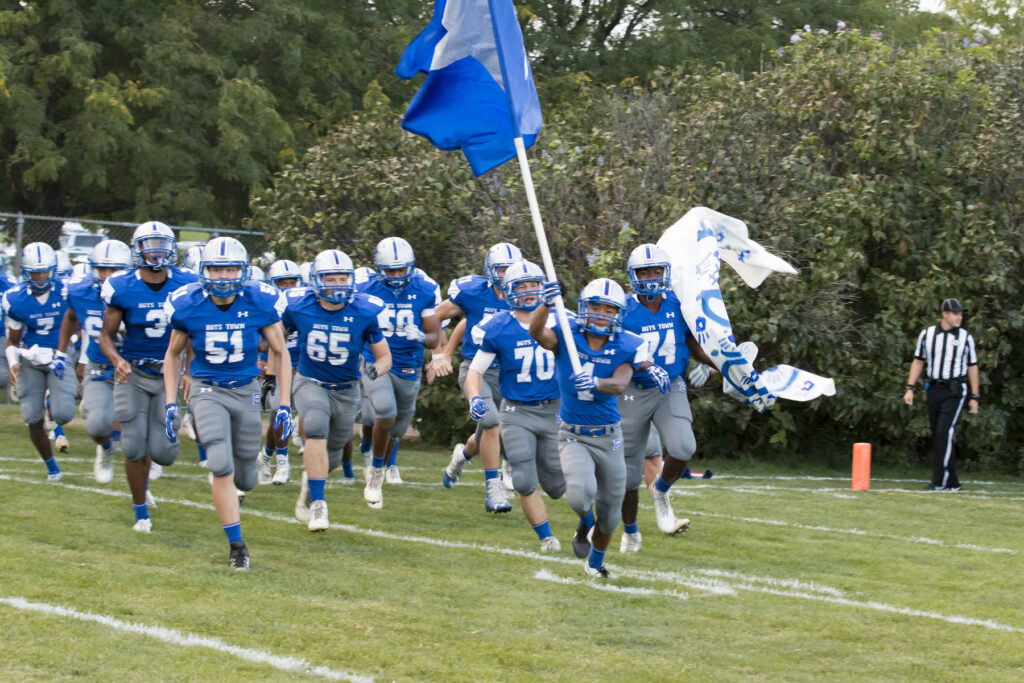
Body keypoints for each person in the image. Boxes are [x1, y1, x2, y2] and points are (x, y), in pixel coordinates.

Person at [163, 237, 292, 570]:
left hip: (247, 389)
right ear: (204, 271)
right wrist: (171, 401)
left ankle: (238, 487)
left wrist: (284, 403)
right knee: (220, 461)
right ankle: (237, 545)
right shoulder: (188, 304)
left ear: (243, 270)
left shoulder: (259, 301)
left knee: (246, 476)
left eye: (230, 268)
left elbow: (281, 352)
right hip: (208, 389)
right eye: (216, 269)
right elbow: (173, 354)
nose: (223, 276)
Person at [529, 277, 655, 578]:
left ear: (618, 315)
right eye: (596, 306)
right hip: (573, 434)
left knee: (611, 513)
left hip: (610, 436)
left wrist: (598, 382)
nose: (601, 314)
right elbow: (536, 333)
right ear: (584, 307)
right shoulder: (567, 335)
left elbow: (621, 382)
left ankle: (595, 565)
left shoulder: (627, 344)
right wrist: (545, 304)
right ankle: (585, 520)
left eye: (609, 309)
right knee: (579, 494)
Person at [99, 221, 198, 532]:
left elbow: (195, 330)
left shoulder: (186, 284)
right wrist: (116, 359)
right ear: (137, 249)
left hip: (166, 376)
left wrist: (189, 370)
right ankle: (140, 511)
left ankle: (146, 480)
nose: (156, 251)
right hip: (134, 372)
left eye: (162, 244)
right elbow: (105, 335)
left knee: (164, 453)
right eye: (149, 244)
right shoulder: (122, 286)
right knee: (133, 446)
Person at [617, 244, 716, 552]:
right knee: (629, 472)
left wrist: (716, 367)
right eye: (644, 272)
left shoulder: (678, 303)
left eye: (656, 271)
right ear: (633, 276)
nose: (650, 277)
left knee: (684, 446)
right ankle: (630, 531)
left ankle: (661, 491)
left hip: (669, 386)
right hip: (632, 390)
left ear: (666, 272)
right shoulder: (622, 309)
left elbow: (695, 340)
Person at [284, 250, 391, 531]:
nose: (337, 285)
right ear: (316, 281)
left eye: (342, 278)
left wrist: (375, 370)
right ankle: (320, 506)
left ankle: (310, 488)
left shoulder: (364, 312)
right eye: (329, 279)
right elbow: (275, 340)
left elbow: (384, 357)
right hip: (310, 382)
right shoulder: (298, 307)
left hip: (345, 389)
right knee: (316, 428)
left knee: (333, 455)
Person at [469, 261, 564, 548]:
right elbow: (475, 371)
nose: (528, 291)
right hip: (517, 410)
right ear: (508, 291)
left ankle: (586, 524)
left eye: (533, 284)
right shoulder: (499, 326)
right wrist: (475, 397)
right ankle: (546, 538)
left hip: (555, 409)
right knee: (522, 478)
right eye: (520, 286)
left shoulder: (562, 319)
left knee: (558, 486)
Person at [432, 242, 521, 511]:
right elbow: (435, 317)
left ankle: (462, 455)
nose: (505, 274)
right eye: (500, 269)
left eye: (510, 269)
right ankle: (493, 490)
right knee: (493, 422)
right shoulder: (473, 292)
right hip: (476, 370)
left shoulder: (526, 294)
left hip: (510, 373)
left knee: (493, 431)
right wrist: (441, 354)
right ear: (489, 270)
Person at [355, 237, 440, 510]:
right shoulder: (365, 289)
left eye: (401, 270)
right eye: (390, 270)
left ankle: (376, 454)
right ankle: (376, 473)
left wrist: (421, 336)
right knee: (385, 412)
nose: (395, 276)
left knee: (398, 428)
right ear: (378, 268)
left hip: (408, 365)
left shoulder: (424, 290)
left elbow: (434, 337)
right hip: (377, 361)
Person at [53, 239, 133, 484]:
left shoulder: (136, 292)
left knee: (140, 428)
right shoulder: (78, 290)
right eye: (102, 269)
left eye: (115, 270)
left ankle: (144, 479)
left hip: (133, 366)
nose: (108, 275)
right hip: (99, 364)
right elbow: (70, 316)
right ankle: (106, 447)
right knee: (98, 427)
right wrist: (61, 351)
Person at [3, 243, 77, 481]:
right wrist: (14, 361)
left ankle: (53, 410)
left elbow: (82, 322)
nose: (41, 277)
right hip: (32, 357)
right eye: (35, 272)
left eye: (45, 271)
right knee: (32, 417)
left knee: (63, 413)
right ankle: (52, 467)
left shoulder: (67, 292)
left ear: (53, 270)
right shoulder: (15, 298)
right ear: (26, 272)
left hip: (60, 356)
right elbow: (12, 341)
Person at [903, 297, 979, 491]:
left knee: (943, 432)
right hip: (934, 388)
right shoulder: (927, 334)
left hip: (954, 390)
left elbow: (972, 366)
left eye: (961, 313)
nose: (959, 317)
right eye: (955, 313)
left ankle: (940, 481)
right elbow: (918, 361)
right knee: (939, 435)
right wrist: (910, 388)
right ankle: (953, 482)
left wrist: (975, 396)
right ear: (945, 314)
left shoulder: (965, 337)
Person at [257, 258, 304, 485]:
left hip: (302, 365)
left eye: (291, 282)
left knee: (288, 413)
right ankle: (282, 461)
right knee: (278, 410)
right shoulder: (264, 306)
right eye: (281, 283)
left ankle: (266, 455)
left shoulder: (305, 304)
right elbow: (257, 339)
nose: (287, 288)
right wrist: (260, 362)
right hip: (275, 364)